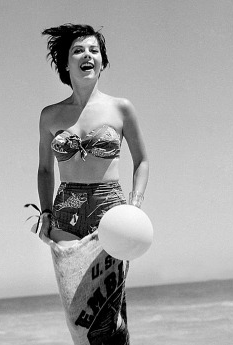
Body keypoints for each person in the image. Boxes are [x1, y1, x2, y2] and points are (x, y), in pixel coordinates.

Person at [37, 24, 149, 243]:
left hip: (111, 211)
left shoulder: (121, 108)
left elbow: (142, 161)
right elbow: (44, 169)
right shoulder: (49, 116)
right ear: (67, 65)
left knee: (111, 279)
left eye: (93, 50)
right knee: (71, 277)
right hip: (65, 211)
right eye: (78, 50)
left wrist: (134, 205)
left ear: (101, 63)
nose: (87, 54)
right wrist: (46, 213)